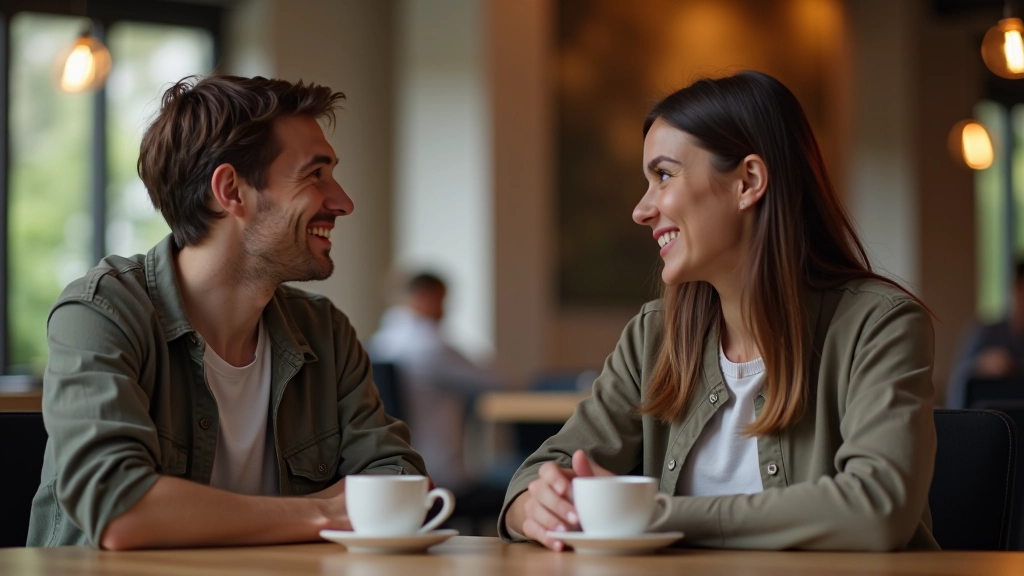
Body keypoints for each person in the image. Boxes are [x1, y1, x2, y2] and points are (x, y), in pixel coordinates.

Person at [499, 71, 938, 551]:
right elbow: (536, 476)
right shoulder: (653, 337)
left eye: (664, 175)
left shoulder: (880, 325)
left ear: (748, 182)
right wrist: (538, 506)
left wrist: (654, 515)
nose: (641, 210)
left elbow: (878, 507)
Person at [26, 75, 427, 549]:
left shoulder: (325, 333)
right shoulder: (101, 313)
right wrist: (324, 511)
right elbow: (121, 510)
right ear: (232, 190)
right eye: (314, 175)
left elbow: (399, 480)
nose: (343, 202)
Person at [367, 272, 504, 493]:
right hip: (440, 476)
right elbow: (496, 381)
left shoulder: (378, 344)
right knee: (513, 479)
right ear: (427, 297)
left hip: (392, 475)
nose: (445, 310)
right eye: (442, 300)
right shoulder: (431, 346)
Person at [947, 260, 1024, 408]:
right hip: (990, 416)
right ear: (1016, 289)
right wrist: (980, 365)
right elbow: (958, 383)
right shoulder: (985, 333)